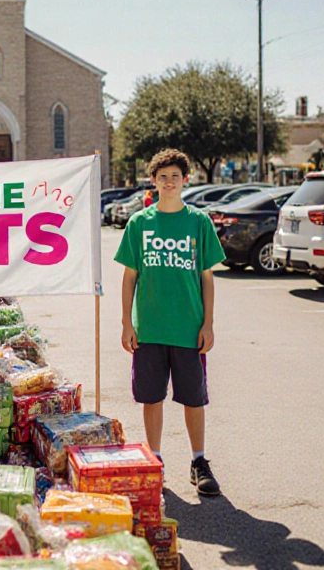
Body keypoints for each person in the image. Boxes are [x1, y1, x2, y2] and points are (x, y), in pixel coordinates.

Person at [115, 148, 225, 497]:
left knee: (194, 398)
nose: (169, 182)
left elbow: (207, 277)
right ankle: (156, 458)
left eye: (175, 176)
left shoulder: (199, 222)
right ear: (153, 181)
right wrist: (126, 323)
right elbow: (130, 276)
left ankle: (199, 461)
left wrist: (208, 323)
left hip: (189, 328)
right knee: (152, 397)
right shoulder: (139, 223)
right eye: (163, 177)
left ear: (185, 180)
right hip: (149, 328)